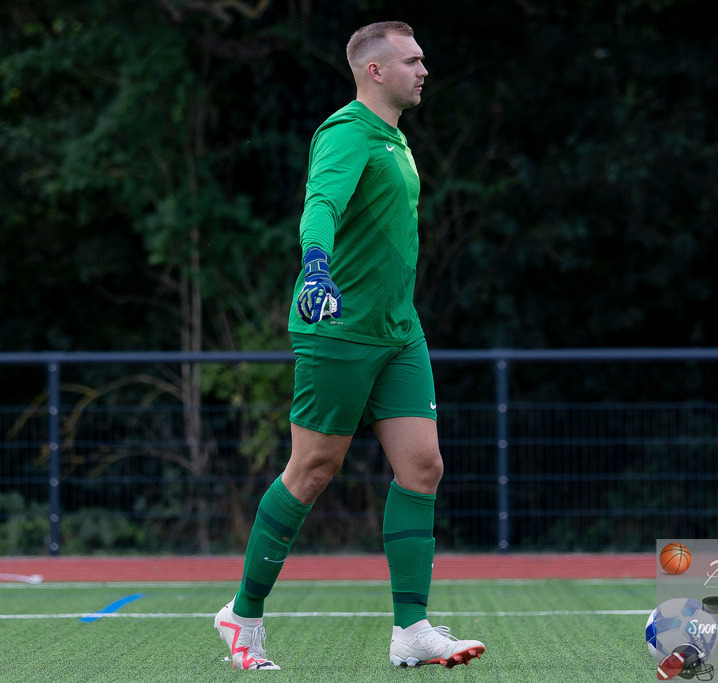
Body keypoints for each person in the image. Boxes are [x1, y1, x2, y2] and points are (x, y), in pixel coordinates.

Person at [213, 21, 485, 671]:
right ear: (375, 71)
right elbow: (320, 205)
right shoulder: (346, 132)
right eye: (412, 60)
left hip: (398, 330)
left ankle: (411, 628)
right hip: (338, 326)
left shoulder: (394, 138)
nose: (424, 69)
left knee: (423, 465)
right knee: (312, 470)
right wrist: (315, 265)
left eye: (424, 58)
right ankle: (242, 614)